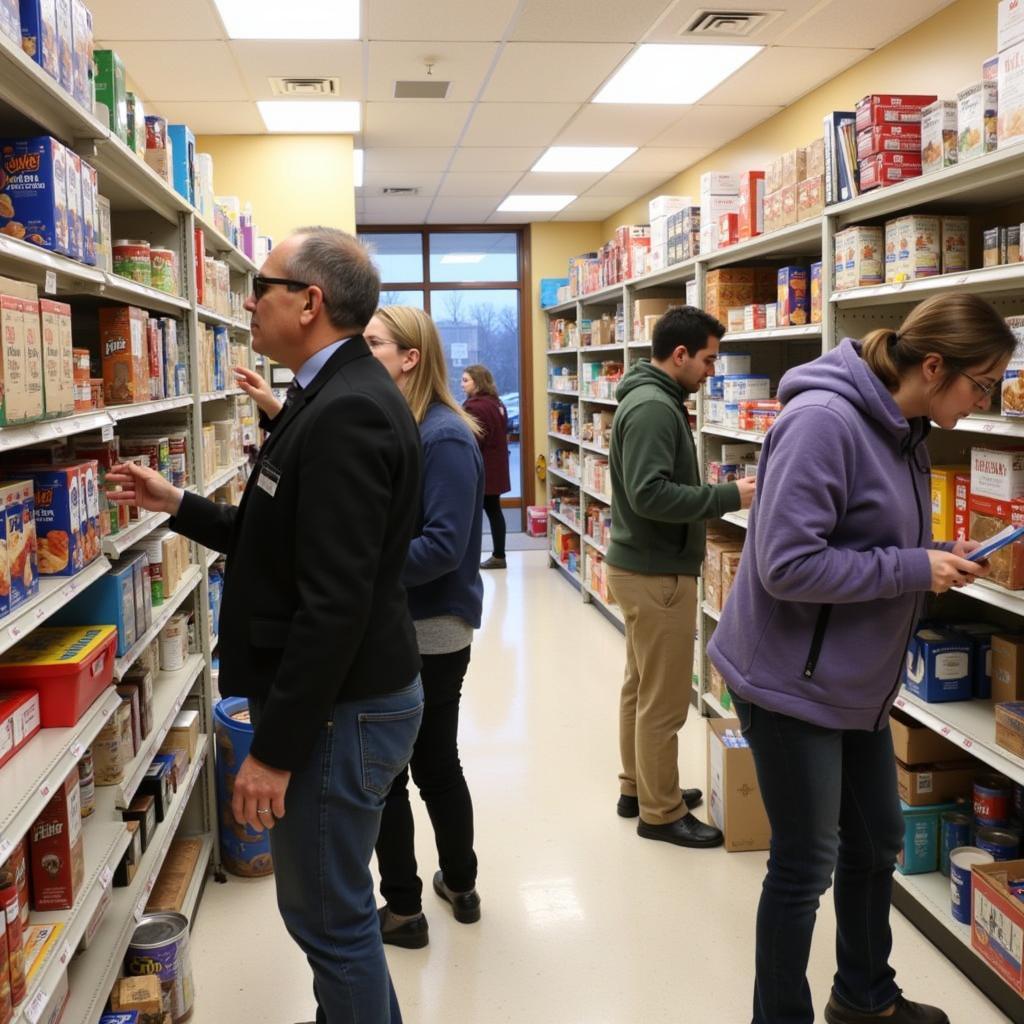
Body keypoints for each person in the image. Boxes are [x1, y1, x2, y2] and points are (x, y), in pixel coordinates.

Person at [107, 228, 424, 1024]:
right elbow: (276, 535)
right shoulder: (322, 395)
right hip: (341, 702)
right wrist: (177, 503)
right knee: (337, 917)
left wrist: (275, 756)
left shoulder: (348, 410)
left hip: (339, 710)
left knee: (328, 919)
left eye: (263, 285)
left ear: (309, 303)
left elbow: (334, 602)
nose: (247, 301)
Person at [708, 294, 1015, 1024]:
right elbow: (786, 565)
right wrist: (912, 570)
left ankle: (864, 998)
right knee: (805, 864)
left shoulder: (905, 427)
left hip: (857, 683)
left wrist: (936, 555)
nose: (986, 399)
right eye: (982, 382)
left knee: (877, 841)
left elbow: (867, 538)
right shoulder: (824, 422)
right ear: (932, 366)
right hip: (789, 681)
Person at [240, 305, 485, 950]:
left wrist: (356, 575)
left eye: (372, 343)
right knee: (392, 783)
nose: (359, 350)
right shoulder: (389, 419)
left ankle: (460, 880)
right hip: (390, 622)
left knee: (434, 765)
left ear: (410, 358)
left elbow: (442, 545)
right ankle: (403, 906)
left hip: (429, 627)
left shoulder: (446, 437)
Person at [606, 306, 755, 849]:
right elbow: (650, 494)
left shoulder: (653, 399)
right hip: (656, 571)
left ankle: (636, 788)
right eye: (709, 360)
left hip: (642, 566)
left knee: (640, 687)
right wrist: (728, 496)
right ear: (680, 355)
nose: (711, 371)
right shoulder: (652, 409)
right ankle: (661, 813)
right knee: (664, 701)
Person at [461, 364, 511, 569]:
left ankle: (467, 559)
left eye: (466, 380)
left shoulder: (474, 407)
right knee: (494, 510)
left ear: (478, 382)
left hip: (481, 467)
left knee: (472, 515)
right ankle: (499, 555)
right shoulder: (497, 403)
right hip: (497, 466)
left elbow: (473, 439)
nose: (462, 384)